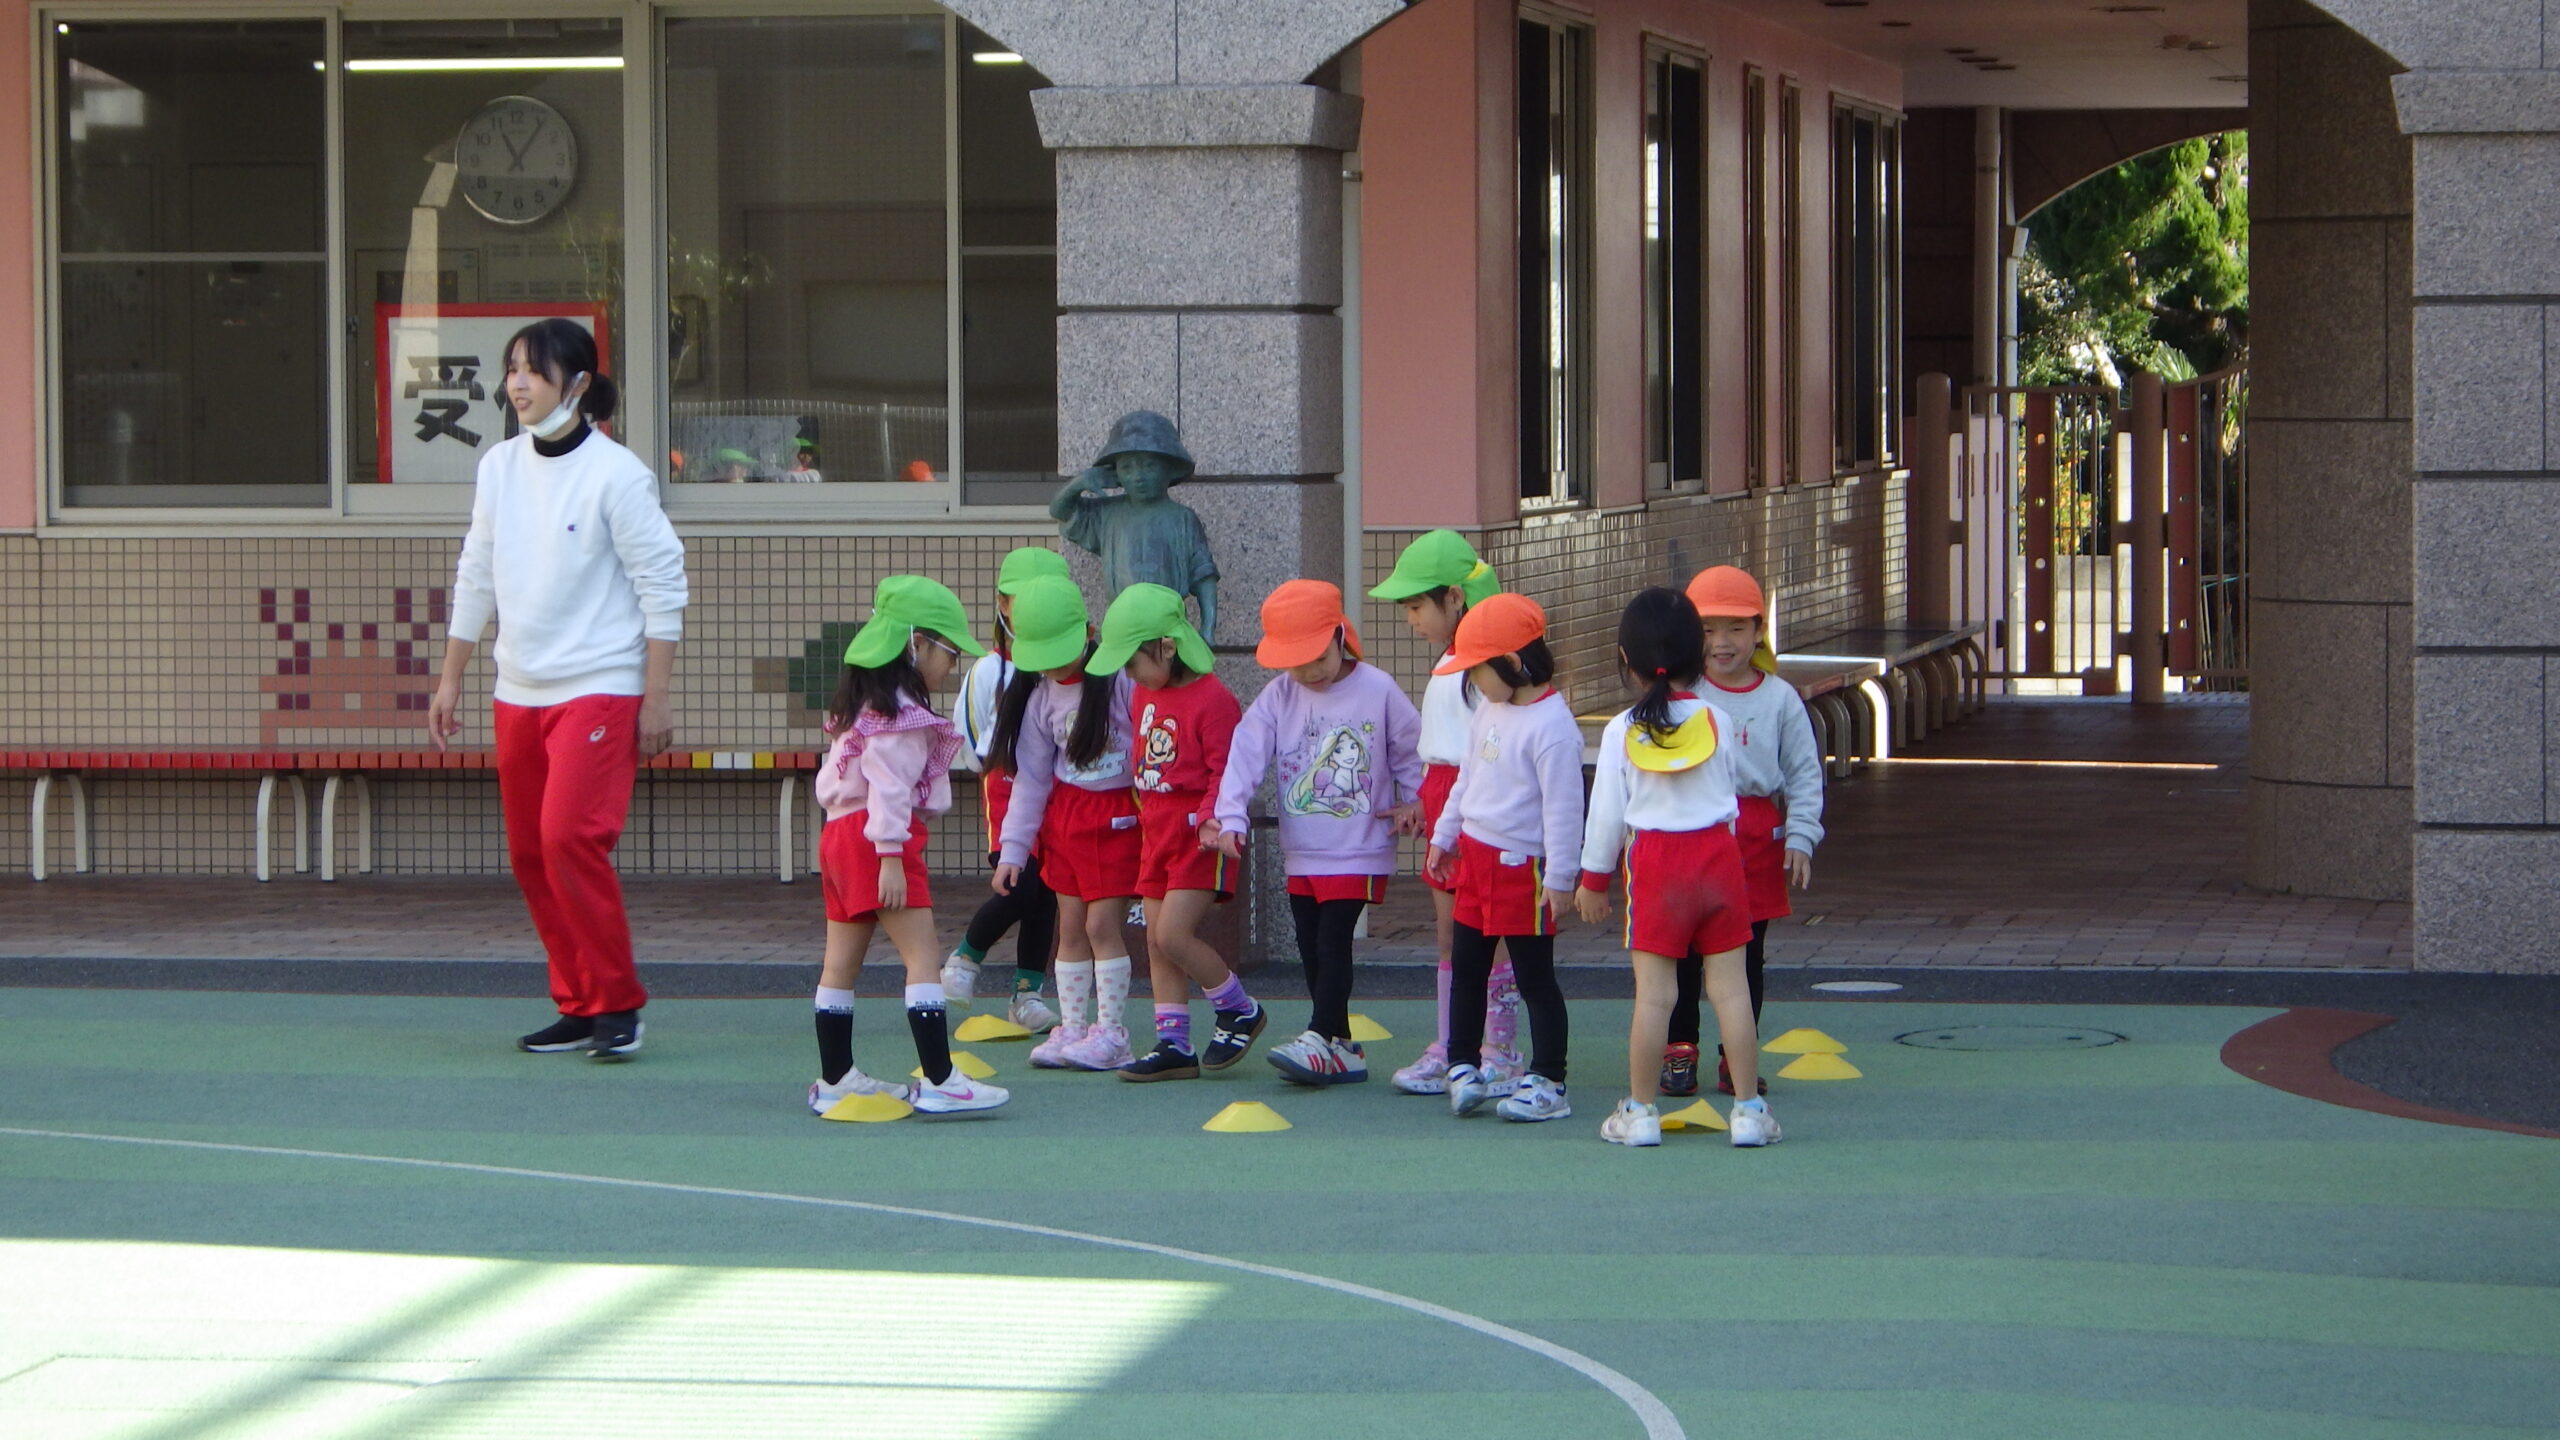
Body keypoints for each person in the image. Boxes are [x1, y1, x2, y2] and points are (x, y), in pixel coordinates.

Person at [431, 317, 685, 1062]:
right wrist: (450, 677)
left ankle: (618, 1003)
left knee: (568, 837)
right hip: (518, 688)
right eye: (512, 368)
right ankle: (578, 1003)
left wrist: (656, 696)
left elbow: (663, 584)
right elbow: (476, 571)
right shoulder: (499, 468)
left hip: (600, 685)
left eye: (534, 371)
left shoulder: (618, 475)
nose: (517, 384)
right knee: (530, 853)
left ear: (576, 384)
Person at [1576, 587, 1780, 1148]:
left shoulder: (1620, 730)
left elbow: (1606, 815)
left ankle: (1640, 1112)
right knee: (1732, 992)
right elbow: (1730, 796)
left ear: (1625, 659)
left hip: (1657, 866)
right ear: (1700, 655)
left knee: (1655, 996)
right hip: (1719, 860)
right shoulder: (1716, 718)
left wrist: (1592, 880)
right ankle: (1749, 1111)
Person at [1207, 581, 1423, 1086]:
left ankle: (1319, 1033)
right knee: (1310, 945)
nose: (1307, 671)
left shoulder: (1377, 688)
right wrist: (1231, 815)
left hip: (1359, 845)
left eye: (1317, 657)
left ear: (1340, 636)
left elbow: (1411, 750)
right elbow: (1246, 753)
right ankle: (1342, 1045)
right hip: (1303, 848)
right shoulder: (1279, 695)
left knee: (1332, 941)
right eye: (1295, 662)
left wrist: (1419, 802)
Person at [806, 577, 1008, 1117]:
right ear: (916, 643)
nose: (951, 666)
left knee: (839, 965)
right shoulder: (900, 714)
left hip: (839, 836)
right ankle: (940, 1078)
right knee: (922, 957)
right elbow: (890, 788)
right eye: (948, 653)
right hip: (878, 839)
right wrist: (891, 857)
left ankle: (835, 1078)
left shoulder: (861, 704)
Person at [1085, 584, 1269, 1080]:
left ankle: (1238, 1007)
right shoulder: (1146, 691)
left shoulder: (1214, 700)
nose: (1128, 674)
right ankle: (1173, 1042)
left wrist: (1213, 818)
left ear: (1167, 647)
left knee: (1172, 934)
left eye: (1132, 662)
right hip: (1157, 832)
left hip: (1198, 836)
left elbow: (1226, 771)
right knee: (1155, 941)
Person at [1367, 529, 1524, 1096]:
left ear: (1454, 598)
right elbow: (1440, 751)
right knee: (1450, 937)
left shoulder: (1489, 665)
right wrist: (1424, 804)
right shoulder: (1451, 662)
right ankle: (1453, 1043)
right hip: (1444, 800)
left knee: (1490, 934)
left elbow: (1496, 745)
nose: (1410, 619)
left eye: (1416, 606)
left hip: (1482, 806)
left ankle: (1499, 1049)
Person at [1662, 566, 1824, 1099]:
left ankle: (1737, 1055)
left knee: (1747, 957)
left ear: (1759, 631)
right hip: (1691, 831)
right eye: (1707, 629)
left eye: (1735, 628)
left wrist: (1801, 835)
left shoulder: (1779, 699)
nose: (1721, 642)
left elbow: (1804, 772)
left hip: (1755, 836)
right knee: (1682, 953)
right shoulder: (1680, 693)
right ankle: (1679, 1050)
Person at [1423, 594, 1584, 1123]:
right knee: (1467, 967)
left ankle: (1550, 1079)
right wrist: (1444, 836)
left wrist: (1561, 877)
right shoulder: (1489, 710)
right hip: (1475, 858)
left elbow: (1564, 809)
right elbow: (1466, 779)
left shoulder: (1553, 726)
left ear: (1513, 662)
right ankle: (1462, 1065)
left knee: (1535, 977)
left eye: (1479, 671)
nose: (1473, 683)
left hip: (1523, 868)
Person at [988, 575, 1143, 1071]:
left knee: (1101, 925)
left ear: (1090, 632)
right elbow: (1031, 780)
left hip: (1117, 818)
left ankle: (1112, 1032)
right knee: (1071, 928)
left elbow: (1148, 745)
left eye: (1061, 652)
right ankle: (1074, 1027)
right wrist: (1013, 850)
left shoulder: (1120, 682)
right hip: (1067, 821)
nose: (1053, 665)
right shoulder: (1040, 699)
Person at [943, 546, 1071, 1032]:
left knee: (1048, 894)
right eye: (1024, 598)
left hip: (1063, 796)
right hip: (1009, 789)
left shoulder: (1071, 665)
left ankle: (1027, 994)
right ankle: (965, 958)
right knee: (1021, 883)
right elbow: (973, 742)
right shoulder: (988, 669)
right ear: (1003, 604)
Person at [1051, 411, 1218, 638]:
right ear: (1115, 473)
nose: (1138, 477)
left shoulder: (1183, 519)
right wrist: (1078, 484)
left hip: (1170, 628)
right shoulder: (1107, 513)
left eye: (1149, 466)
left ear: (1169, 468)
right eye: (1127, 468)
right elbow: (1060, 511)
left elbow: (1203, 574)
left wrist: (1208, 627)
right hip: (1121, 628)